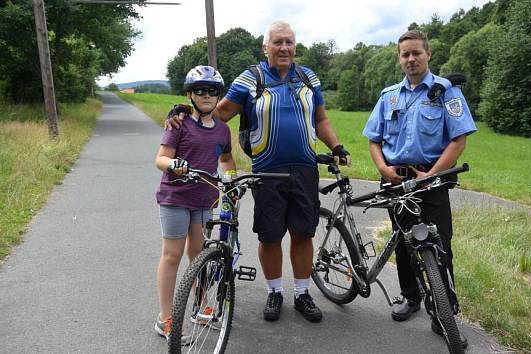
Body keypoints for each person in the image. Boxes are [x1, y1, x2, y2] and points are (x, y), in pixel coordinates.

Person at [166, 21, 350, 323]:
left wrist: (337, 145)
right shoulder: (250, 79)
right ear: (265, 47)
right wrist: (188, 111)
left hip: (304, 169)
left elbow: (321, 119)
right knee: (270, 235)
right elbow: (220, 113)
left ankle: (302, 293)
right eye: (277, 42)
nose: (284, 48)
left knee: (303, 233)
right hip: (266, 171)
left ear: (295, 46)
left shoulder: (308, 77)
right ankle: (274, 291)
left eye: (289, 42)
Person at [362, 30, 476, 347]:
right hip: (396, 181)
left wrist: (431, 174)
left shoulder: (446, 93)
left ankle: (444, 314)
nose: (411, 59)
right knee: (403, 242)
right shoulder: (389, 96)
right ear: (400, 59)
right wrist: (383, 168)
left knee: (439, 246)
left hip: (432, 180)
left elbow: (459, 139)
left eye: (416, 53)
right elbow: (374, 139)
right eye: (405, 54)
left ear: (428, 55)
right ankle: (409, 297)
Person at [154, 65, 236, 344]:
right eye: (200, 90)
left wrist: (232, 181)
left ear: (218, 95)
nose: (206, 95)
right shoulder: (179, 124)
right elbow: (161, 159)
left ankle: (201, 307)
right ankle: (165, 319)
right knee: (172, 255)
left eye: (212, 91)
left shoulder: (223, 131)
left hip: (204, 200)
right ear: (189, 95)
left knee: (199, 255)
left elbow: (225, 161)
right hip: (175, 198)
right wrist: (174, 165)